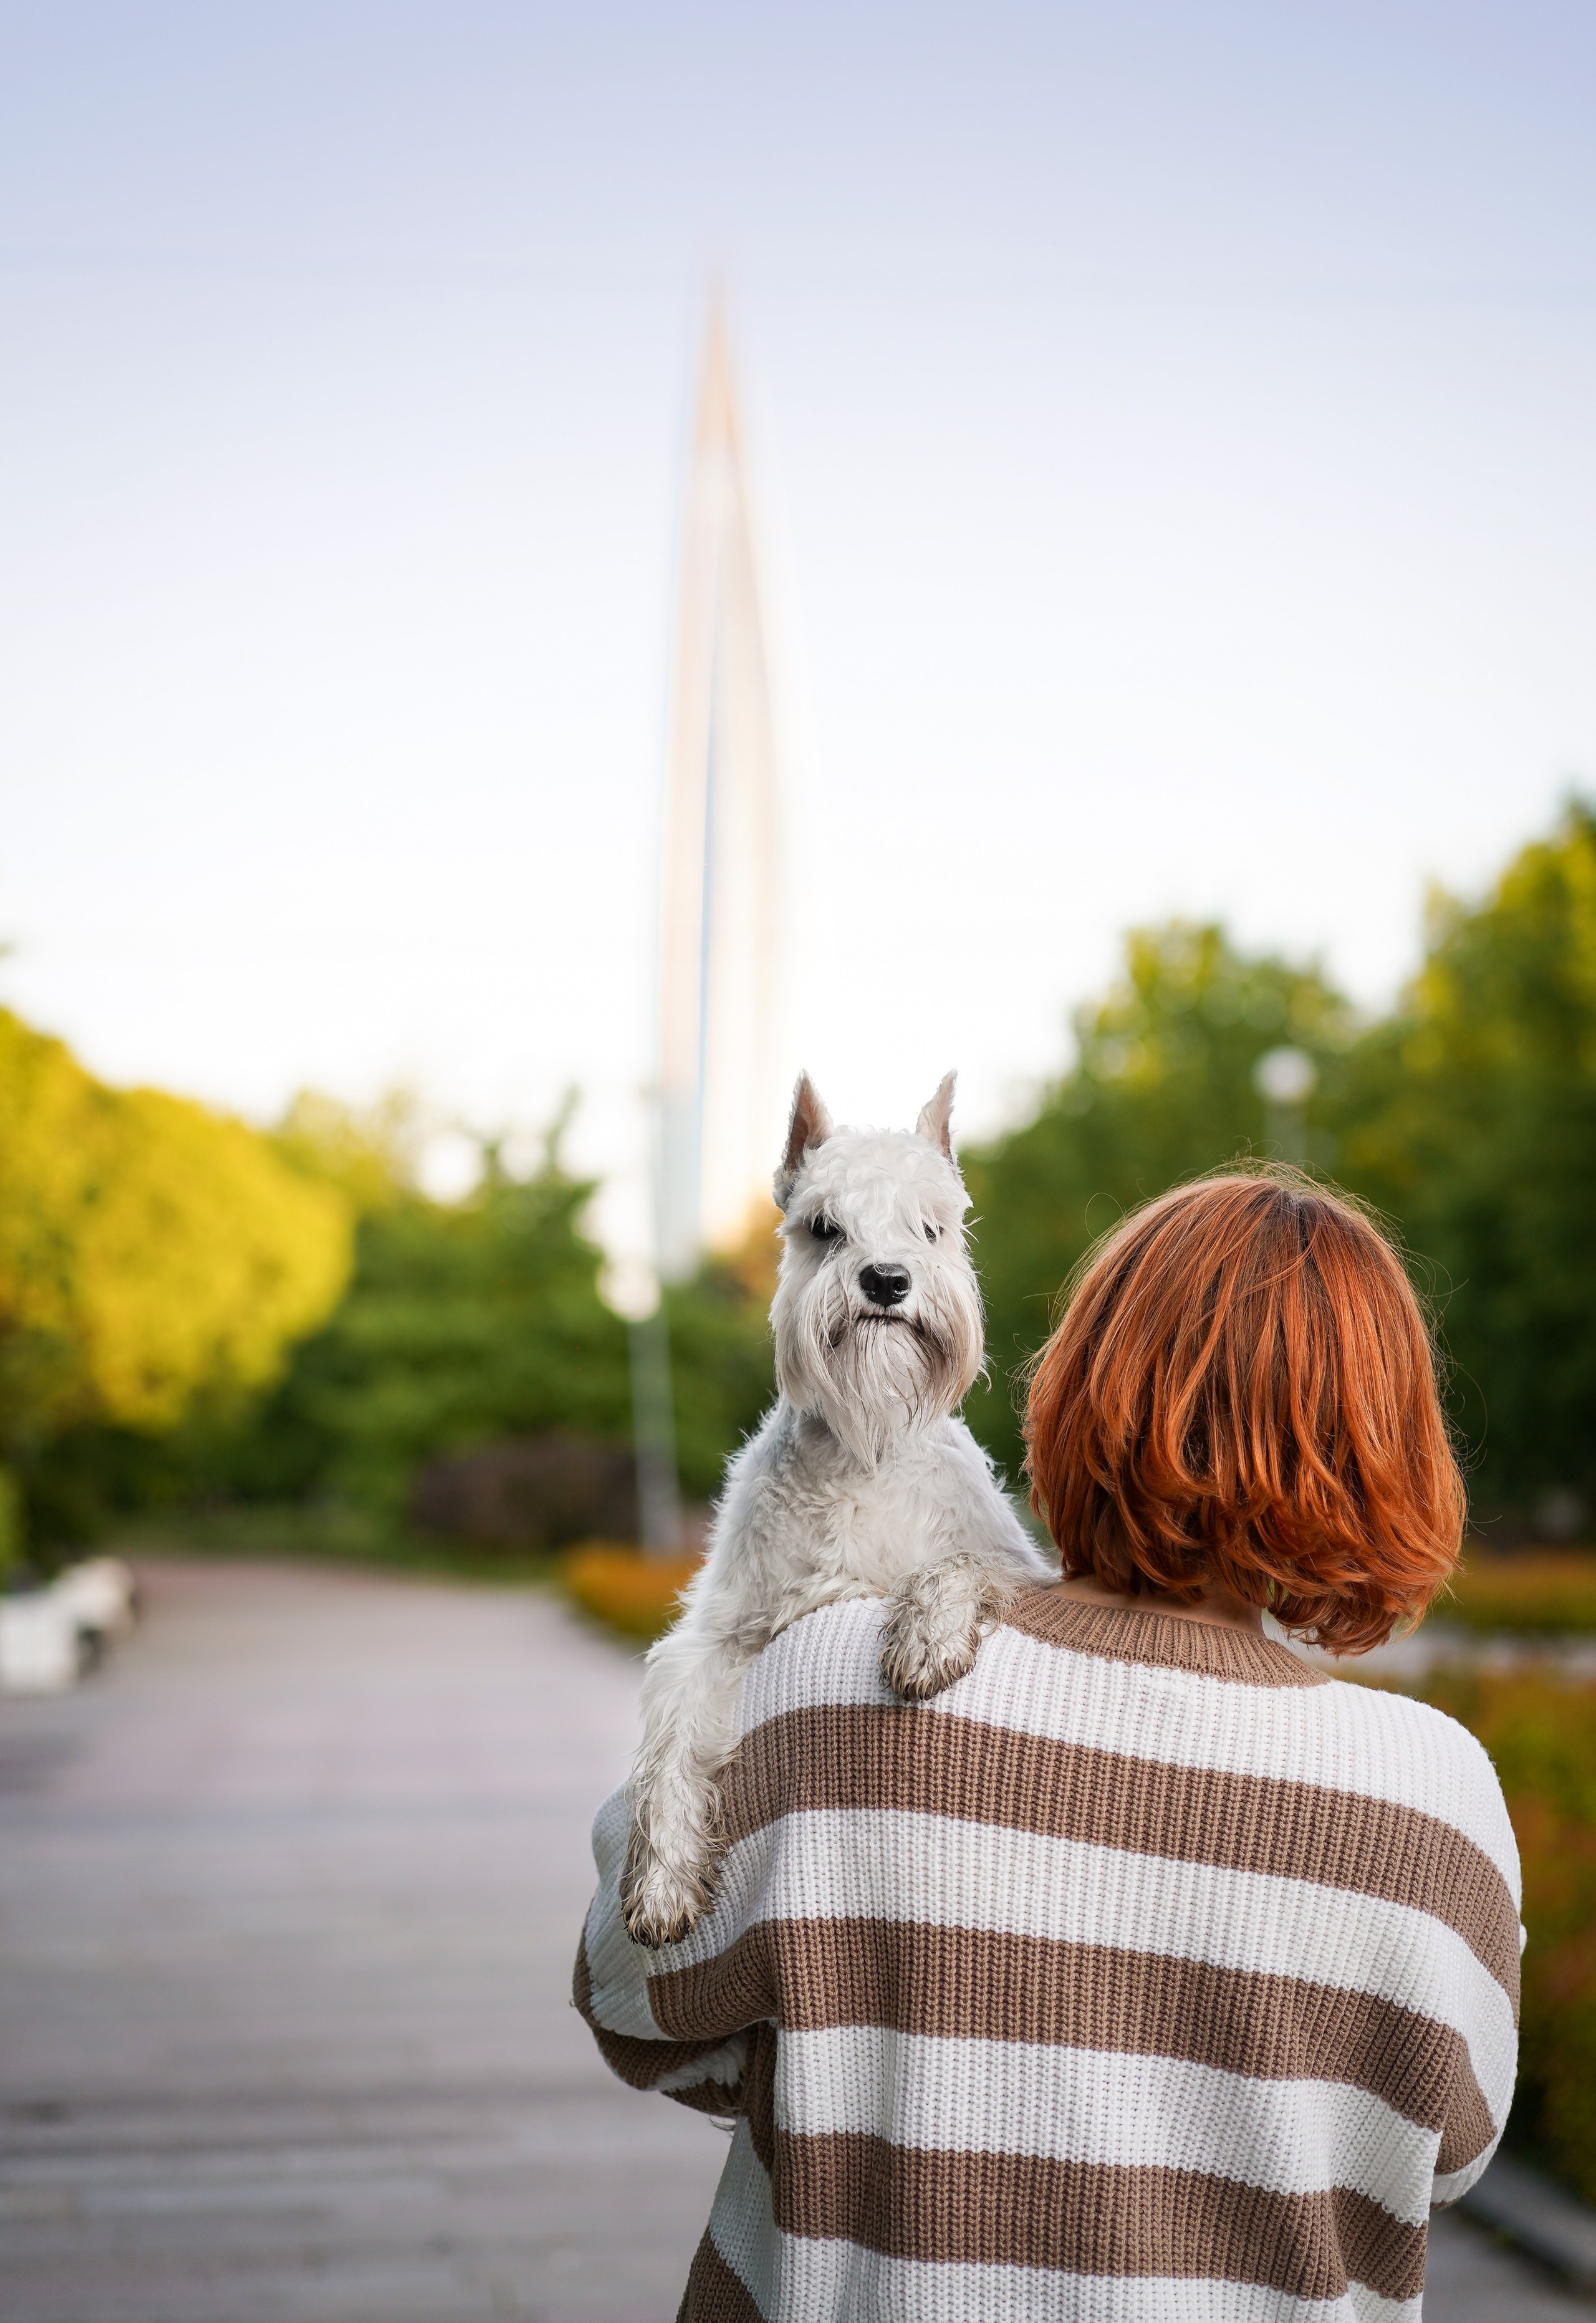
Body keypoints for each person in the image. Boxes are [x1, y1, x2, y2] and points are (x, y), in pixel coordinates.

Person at [575, 1170, 1521, 2321]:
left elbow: (632, 2001)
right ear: (1395, 1449)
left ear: (1075, 1393)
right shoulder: (1435, 1793)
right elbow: (1448, 2149)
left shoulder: (830, 1683)